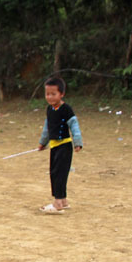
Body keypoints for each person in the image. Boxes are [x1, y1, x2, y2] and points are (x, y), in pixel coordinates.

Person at [37, 77, 83, 212]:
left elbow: (74, 126)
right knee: (54, 172)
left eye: (53, 94)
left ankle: (57, 203)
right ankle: (63, 200)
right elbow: (47, 128)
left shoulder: (66, 109)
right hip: (54, 147)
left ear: (62, 94)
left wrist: (77, 142)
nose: (50, 97)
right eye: (47, 94)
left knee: (59, 173)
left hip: (64, 147)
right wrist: (42, 142)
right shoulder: (49, 110)